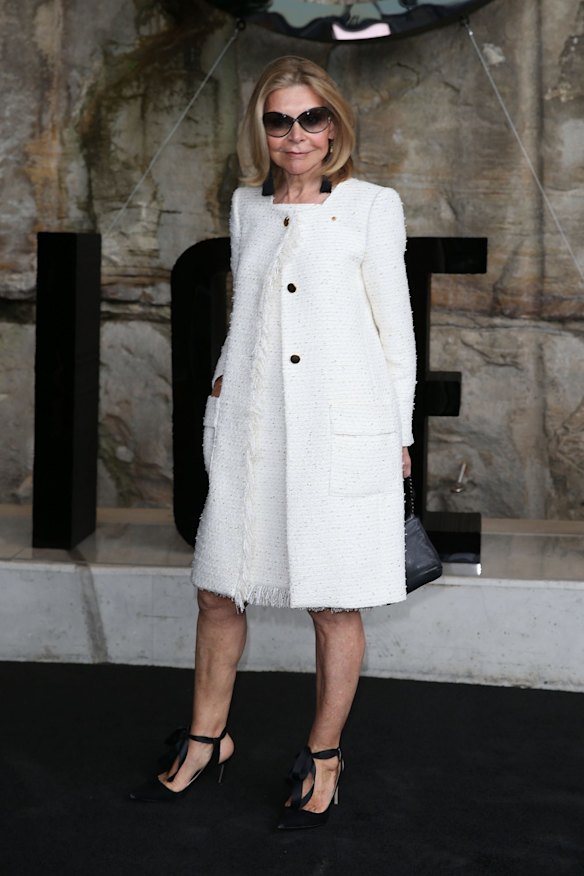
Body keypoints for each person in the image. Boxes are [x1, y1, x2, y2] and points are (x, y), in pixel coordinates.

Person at [131, 55, 416, 830]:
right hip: (252, 427)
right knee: (219, 589)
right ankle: (206, 739)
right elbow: (246, 318)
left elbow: (397, 332)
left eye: (311, 118)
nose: (297, 135)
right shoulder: (246, 207)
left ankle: (324, 757)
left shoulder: (371, 206)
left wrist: (397, 434)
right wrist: (221, 394)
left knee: (332, 602)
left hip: (338, 431)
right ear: (261, 129)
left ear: (335, 124)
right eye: (279, 120)